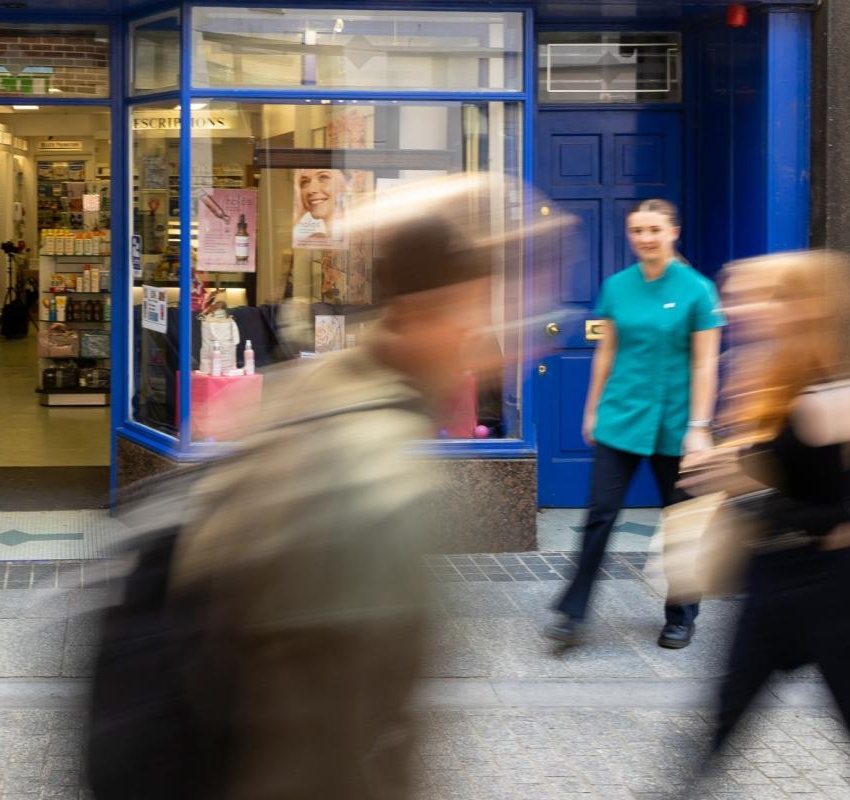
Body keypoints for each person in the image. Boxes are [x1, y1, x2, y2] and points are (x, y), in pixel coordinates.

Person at [164, 174, 559, 800]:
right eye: (497, 307)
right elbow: (322, 753)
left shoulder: (325, 394)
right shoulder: (372, 481)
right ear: (438, 308)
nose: (513, 335)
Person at [687, 250, 850, 799]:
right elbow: (788, 481)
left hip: (830, 589)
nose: (737, 307)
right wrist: (735, 476)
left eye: (760, 296)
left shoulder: (837, 395)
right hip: (774, 578)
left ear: (806, 308)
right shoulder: (771, 379)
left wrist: (747, 482)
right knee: (723, 716)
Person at [547, 198, 723, 649]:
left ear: (673, 233)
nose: (645, 238)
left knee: (681, 523)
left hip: (677, 422)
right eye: (637, 230)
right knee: (599, 515)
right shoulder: (617, 287)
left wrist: (700, 426)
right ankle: (571, 613)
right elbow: (607, 351)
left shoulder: (697, 290)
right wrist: (592, 409)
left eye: (654, 229)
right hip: (622, 416)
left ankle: (681, 616)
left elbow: (706, 365)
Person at [293, 167, 347, 245]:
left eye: (323, 177)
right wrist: (297, 213)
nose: (311, 190)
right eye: (305, 182)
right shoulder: (312, 241)